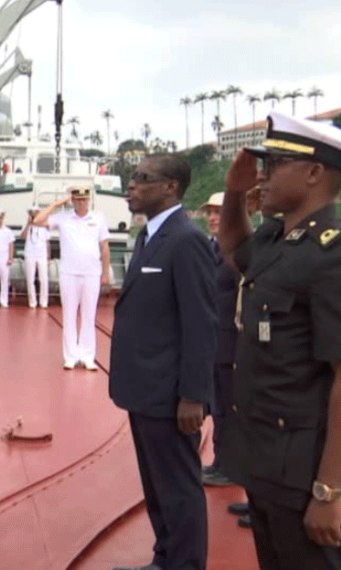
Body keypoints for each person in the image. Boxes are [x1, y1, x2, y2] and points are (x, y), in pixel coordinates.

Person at [218, 110, 341, 570]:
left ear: (313, 173)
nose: (262, 177)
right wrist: (234, 190)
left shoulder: (331, 256)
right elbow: (234, 248)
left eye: (274, 167)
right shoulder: (275, 239)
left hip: (305, 470)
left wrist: (330, 490)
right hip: (265, 460)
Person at [109, 154, 217, 570]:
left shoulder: (186, 239)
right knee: (156, 487)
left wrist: (194, 395)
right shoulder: (150, 237)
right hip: (144, 389)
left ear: (170, 186)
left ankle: (186, 564)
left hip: (171, 394)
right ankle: (165, 559)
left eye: (141, 178)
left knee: (178, 488)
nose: (131, 185)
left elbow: (200, 322)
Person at [34, 186, 110, 369]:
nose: (81, 203)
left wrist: (105, 273)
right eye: (77, 200)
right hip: (69, 272)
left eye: (84, 200)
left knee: (89, 315)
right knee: (69, 315)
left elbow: (105, 247)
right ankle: (70, 355)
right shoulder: (63, 218)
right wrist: (57, 203)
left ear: (89, 200)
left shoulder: (98, 219)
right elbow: (37, 220)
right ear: (73, 201)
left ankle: (87, 355)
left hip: (91, 272)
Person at [199, 191, 239, 489]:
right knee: (218, 404)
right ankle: (222, 462)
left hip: (232, 343)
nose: (213, 217)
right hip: (213, 342)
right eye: (210, 212)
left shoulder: (239, 251)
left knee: (229, 406)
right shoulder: (212, 247)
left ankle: (228, 466)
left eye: (219, 211)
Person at [19, 205, 51, 309]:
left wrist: (48, 258)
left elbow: (47, 243)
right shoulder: (27, 225)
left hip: (42, 254)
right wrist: (28, 224)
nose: (34, 215)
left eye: (36, 213)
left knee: (44, 278)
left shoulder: (44, 226)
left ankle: (43, 301)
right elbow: (22, 236)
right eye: (32, 213)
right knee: (30, 278)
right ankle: (32, 302)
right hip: (30, 253)